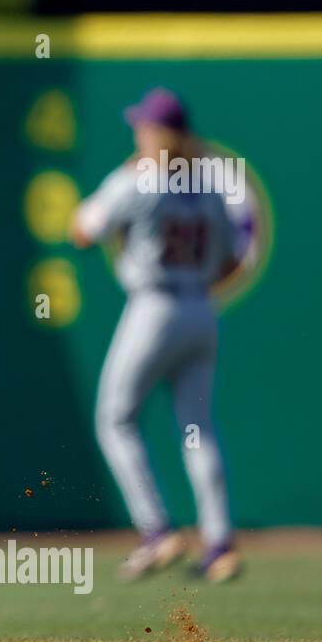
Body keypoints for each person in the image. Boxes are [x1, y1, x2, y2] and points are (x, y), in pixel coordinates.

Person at [71, 88, 245, 583]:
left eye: (144, 126)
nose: (138, 133)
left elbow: (81, 230)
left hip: (153, 306)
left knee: (115, 419)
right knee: (197, 428)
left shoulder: (135, 181)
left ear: (155, 133)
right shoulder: (208, 184)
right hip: (200, 309)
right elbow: (232, 260)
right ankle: (219, 542)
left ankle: (156, 529)